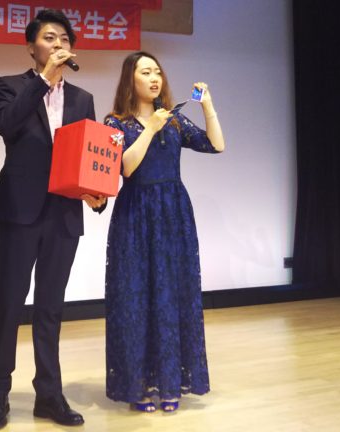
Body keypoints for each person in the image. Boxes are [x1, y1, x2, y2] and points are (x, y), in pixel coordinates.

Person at [0, 9, 107, 430]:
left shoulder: (83, 99)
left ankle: (49, 395)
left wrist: (96, 192)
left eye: (64, 39)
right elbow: (5, 124)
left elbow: (90, 154)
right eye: (50, 38)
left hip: (63, 215)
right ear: (31, 47)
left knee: (50, 308)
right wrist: (43, 81)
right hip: (20, 212)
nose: (58, 44)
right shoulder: (11, 86)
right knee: (9, 304)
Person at [103, 51, 225, 413]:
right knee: (136, 298)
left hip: (173, 213)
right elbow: (125, 168)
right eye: (145, 72)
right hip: (135, 214)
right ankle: (138, 386)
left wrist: (208, 106)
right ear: (131, 79)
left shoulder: (174, 120)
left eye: (157, 71)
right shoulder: (116, 122)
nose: (154, 78)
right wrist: (150, 129)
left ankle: (171, 382)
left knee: (172, 295)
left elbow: (215, 144)